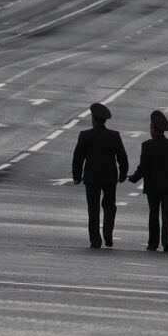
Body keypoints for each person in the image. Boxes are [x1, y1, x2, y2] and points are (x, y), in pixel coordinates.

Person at [72, 102, 129, 248]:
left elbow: (78, 158)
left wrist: (77, 176)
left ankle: (95, 240)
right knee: (110, 206)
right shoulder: (114, 136)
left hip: (92, 177)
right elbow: (122, 157)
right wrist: (123, 174)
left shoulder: (85, 135)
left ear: (93, 118)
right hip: (110, 177)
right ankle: (108, 235)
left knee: (93, 209)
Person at [128, 109, 168, 252]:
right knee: (167, 215)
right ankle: (167, 242)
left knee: (153, 214)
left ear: (153, 129)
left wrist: (133, 179)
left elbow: (143, 167)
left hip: (153, 186)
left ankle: (153, 243)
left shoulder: (147, 146)